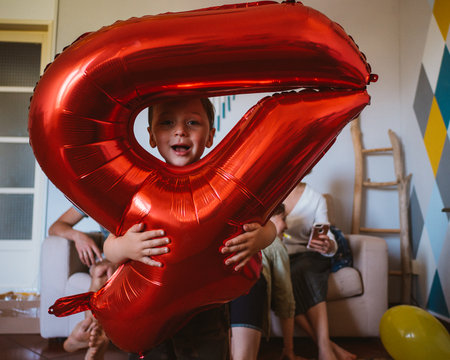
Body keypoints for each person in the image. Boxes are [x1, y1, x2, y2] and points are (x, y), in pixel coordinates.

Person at [103, 97, 277, 360]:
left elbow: (270, 225)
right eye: (167, 122)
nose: (180, 130)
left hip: (204, 313)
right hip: (150, 313)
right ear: (151, 136)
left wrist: (261, 237)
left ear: (210, 136)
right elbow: (109, 247)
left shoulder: (221, 184)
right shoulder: (140, 188)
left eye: (193, 122)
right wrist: (125, 246)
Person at [283, 182, 356, 360]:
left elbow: (326, 231)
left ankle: (325, 350)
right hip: (282, 256)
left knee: (305, 269)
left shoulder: (315, 198)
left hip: (309, 255)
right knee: (284, 278)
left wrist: (328, 244)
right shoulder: (272, 191)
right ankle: (327, 347)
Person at [229, 203, 306, 360]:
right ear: (268, 219)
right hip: (249, 284)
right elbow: (285, 298)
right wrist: (289, 350)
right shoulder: (275, 244)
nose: (286, 226)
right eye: (283, 218)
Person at [48, 207, 117, 360]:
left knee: (102, 271)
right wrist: (78, 236)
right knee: (100, 272)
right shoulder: (91, 196)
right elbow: (55, 226)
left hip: (128, 257)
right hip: (108, 261)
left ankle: (91, 337)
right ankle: (96, 337)